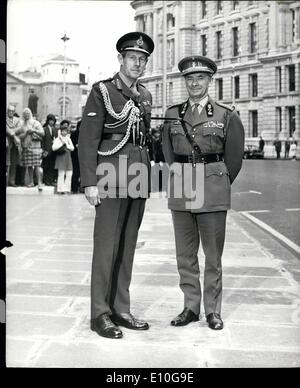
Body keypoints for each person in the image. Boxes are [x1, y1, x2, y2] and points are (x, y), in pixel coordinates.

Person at [78, 31, 154, 339]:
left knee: (127, 246)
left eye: (143, 59)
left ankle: (121, 308)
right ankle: (100, 313)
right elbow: (88, 139)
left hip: (138, 175)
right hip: (109, 174)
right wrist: (89, 182)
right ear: (120, 59)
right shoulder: (103, 91)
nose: (138, 63)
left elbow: (144, 138)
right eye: (133, 58)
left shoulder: (145, 95)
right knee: (106, 245)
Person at [162, 55, 244, 330]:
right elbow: (168, 152)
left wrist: (216, 179)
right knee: (185, 254)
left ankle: (213, 310)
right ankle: (190, 306)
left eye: (200, 78)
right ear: (184, 81)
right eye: (189, 78)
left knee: (212, 255)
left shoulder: (225, 115)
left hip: (212, 188)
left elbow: (234, 159)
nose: (195, 83)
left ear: (210, 81)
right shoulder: (173, 114)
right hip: (183, 184)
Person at [18, 107, 44, 190]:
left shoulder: (36, 123)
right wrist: (25, 133)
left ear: (30, 114)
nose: (26, 115)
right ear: (23, 115)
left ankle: (40, 183)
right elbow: (19, 136)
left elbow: (42, 133)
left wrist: (33, 130)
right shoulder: (21, 124)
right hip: (26, 146)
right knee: (29, 165)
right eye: (25, 114)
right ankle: (31, 182)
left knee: (37, 165)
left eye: (28, 113)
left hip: (35, 146)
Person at [52, 120, 74, 194]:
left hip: (68, 158)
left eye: (65, 131)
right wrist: (62, 144)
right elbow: (53, 148)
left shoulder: (68, 139)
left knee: (69, 173)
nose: (64, 132)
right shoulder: (58, 139)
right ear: (61, 131)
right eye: (63, 131)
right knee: (61, 174)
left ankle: (67, 189)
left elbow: (72, 148)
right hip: (61, 157)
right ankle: (60, 189)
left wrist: (67, 145)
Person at [6, 105, 22, 186]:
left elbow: (20, 129)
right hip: (7, 144)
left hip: (15, 145)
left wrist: (12, 132)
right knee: (6, 163)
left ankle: (12, 181)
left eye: (12, 111)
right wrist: (14, 135)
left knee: (13, 163)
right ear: (7, 111)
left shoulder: (17, 120)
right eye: (10, 111)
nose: (11, 112)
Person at [41, 113, 58, 186]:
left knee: (52, 166)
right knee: (46, 166)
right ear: (48, 121)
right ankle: (46, 180)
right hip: (46, 151)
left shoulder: (56, 130)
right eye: (50, 120)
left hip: (53, 151)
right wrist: (43, 150)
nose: (52, 122)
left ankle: (51, 180)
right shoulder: (44, 129)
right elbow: (42, 141)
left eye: (53, 120)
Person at [70, 120, 81, 193]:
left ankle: (82, 188)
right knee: (75, 173)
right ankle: (74, 188)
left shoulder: (86, 134)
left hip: (83, 157)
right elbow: (71, 144)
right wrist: (76, 146)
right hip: (75, 156)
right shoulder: (74, 134)